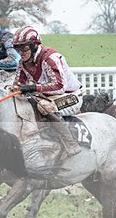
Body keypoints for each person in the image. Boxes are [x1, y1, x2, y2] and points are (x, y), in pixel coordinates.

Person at [11, 25, 83, 157]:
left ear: (34, 46)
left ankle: (70, 143)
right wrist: (12, 89)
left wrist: (33, 88)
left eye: (24, 48)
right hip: (47, 96)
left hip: (71, 96)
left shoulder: (50, 58)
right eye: (17, 48)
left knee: (44, 107)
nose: (21, 52)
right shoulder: (22, 63)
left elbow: (60, 86)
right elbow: (17, 85)